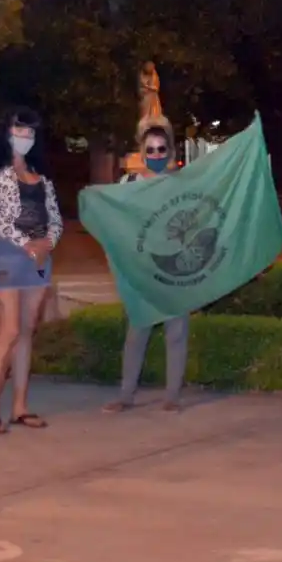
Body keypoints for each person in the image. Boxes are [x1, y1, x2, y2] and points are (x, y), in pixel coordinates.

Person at [0, 108, 63, 435]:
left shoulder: (40, 172)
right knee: (9, 330)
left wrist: (48, 243)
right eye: (19, 130)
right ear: (6, 131)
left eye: (30, 132)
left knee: (26, 331)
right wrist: (27, 244)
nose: (25, 137)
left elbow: (55, 216)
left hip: (39, 258)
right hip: (9, 253)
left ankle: (20, 407)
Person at [104, 119, 190, 413]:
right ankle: (125, 395)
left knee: (176, 332)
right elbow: (113, 222)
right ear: (141, 152)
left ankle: (172, 396)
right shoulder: (128, 185)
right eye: (150, 150)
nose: (156, 155)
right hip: (140, 271)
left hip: (173, 270)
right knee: (137, 332)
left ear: (170, 151)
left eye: (161, 149)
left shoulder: (180, 185)